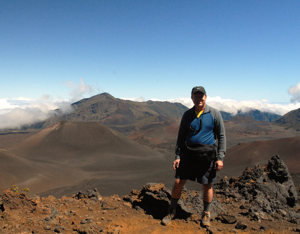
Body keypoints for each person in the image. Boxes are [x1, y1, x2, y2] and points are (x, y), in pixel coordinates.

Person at [162, 86, 226, 227]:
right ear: (192, 98)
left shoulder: (214, 114)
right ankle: (172, 211)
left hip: (207, 155)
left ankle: (206, 214)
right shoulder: (187, 115)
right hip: (188, 154)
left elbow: (221, 136)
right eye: (196, 96)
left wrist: (220, 157)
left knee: (207, 185)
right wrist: (178, 156)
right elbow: (181, 137)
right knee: (178, 182)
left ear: (206, 97)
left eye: (201, 96)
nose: (199, 99)